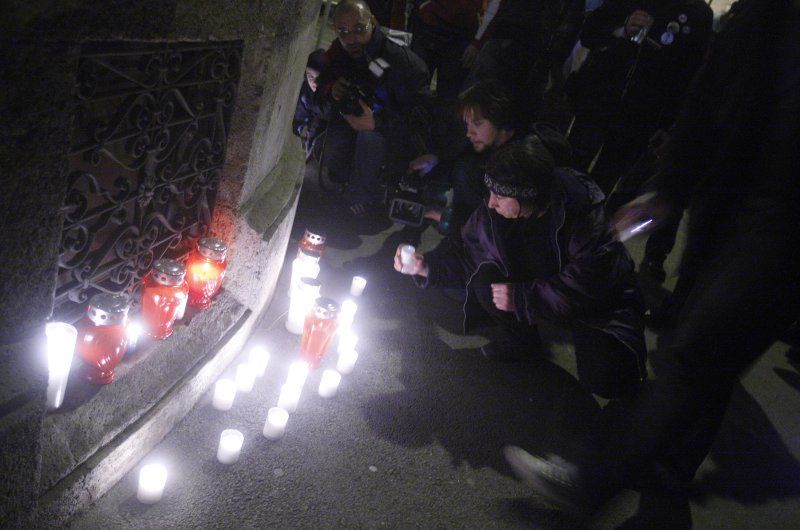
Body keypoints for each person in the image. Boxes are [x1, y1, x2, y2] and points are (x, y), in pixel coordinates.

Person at [503, 0, 800, 518]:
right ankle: (664, 484)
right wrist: (669, 187)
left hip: (782, 231)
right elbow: (711, 99)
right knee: (707, 361)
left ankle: (591, 478)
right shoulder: (765, 17)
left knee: (696, 354)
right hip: (730, 208)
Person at [395, 138, 647, 400]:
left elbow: (585, 287)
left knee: (608, 377)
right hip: (543, 283)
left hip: (600, 302)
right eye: (490, 192)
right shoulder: (494, 213)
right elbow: (467, 253)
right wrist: (427, 267)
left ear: (528, 195)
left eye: (500, 196)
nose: (490, 203)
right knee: (485, 281)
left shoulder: (583, 217)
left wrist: (522, 298)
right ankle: (523, 343)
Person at [564, 0, 712, 193]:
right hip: (598, 102)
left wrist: (667, 125)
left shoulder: (698, 14)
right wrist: (622, 30)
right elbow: (589, 33)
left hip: (639, 120)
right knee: (568, 171)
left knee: (601, 186)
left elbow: (687, 78)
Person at [408, 80, 573, 235]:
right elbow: (456, 154)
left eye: (477, 124)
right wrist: (435, 158)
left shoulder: (519, 166)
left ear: (499, 118)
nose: (469, 133)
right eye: (467, 124)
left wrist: (440, 216)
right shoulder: (488, 146)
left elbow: (495, 229)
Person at [316, 0, 430, 216]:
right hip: (356, 127)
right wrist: (332, 91)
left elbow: (419, 123)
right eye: (343, 32)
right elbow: (320, 99)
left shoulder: (403, 64)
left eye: (359, 29)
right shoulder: (340, 53)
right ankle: (340, 178)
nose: (351, 38)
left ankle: (362, 200)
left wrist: (376, 122)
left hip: (393, 136)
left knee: (369, 138)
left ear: (373, 23)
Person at [408, 0, 500, 102]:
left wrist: (477, 43)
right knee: (413, 92)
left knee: (448, 98)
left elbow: (495, 5)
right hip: (427, 27)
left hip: (461, 36)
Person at [292, 49, 327, 162]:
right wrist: (296, 135)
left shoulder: (331, 93)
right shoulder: (306, 91)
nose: (314, 82)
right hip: (312, 129)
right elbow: (299, 114)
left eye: (319, 77)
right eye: (310, 76)